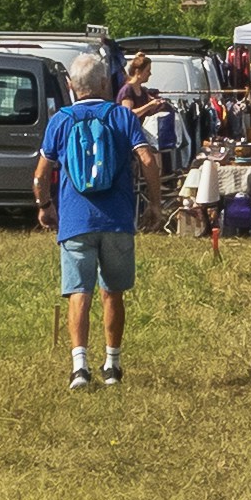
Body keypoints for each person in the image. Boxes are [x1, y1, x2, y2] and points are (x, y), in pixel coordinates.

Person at [34, 49, 152, 388]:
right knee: (113, 292)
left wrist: (44, 205)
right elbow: (147, 159)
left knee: (79, 292)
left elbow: (41, 175)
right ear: (104, 83)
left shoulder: (61, 120)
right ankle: (112, 366)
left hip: (75, 220)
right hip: (116, 219)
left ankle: (79, 367)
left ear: (71, 85)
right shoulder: (121, 117)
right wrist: (155, 204)